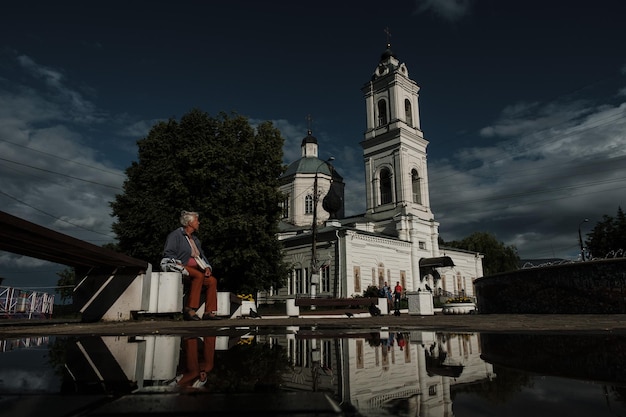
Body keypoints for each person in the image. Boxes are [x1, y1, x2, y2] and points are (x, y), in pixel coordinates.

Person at [163, 210, 219, 321]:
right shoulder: (176, 235)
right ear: (189, 223)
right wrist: (176, 262)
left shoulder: (195, 240)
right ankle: (189, 309)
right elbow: (168, 253)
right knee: (198, 275)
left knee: (212, 281)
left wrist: (207, 267)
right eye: (197, 220)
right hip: (181, 267)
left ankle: (209, 312)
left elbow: (202, 256)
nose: (199, 223)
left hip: (197, 269)